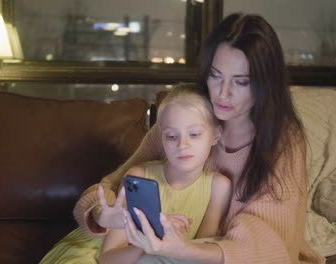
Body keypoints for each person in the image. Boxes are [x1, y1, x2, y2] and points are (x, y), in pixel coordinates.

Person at [73, 13, 325, 264]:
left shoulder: (282, 140)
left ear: (264, 84)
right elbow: (109, 189)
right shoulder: (186, 120)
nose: (222, 93)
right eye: (216, 76)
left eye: (241, 82)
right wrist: (104, 216)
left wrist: (182, 250)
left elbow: (267, 243)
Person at [39, 84, 232, 263]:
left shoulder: (219, 187)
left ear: (216, 135)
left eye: (195, 134)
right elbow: (108, 258)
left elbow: (199, 255)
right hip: (93, 256)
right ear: (161, 138)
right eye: (172, 136)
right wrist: (150, 243)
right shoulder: (139, 176)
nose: (183, 145)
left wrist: (166, 246)